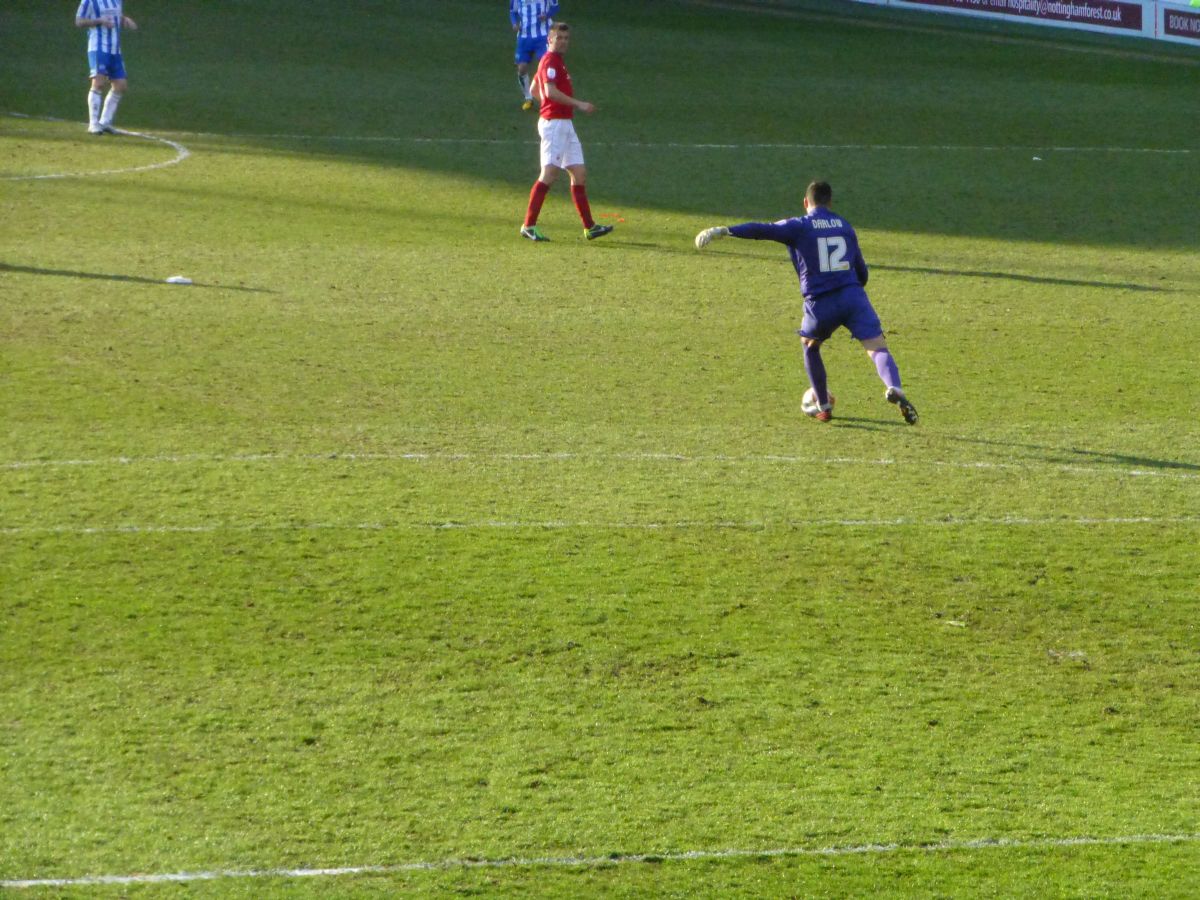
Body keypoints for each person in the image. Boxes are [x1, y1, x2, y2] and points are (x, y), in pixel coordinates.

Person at [694, 181, 918, 424]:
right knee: (877, 348)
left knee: (810, 346)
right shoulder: (845, 226)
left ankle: (822, 405)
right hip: (853, 297)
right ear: (830, 202)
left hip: (820, 303)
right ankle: (895, 387)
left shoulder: (799, 225)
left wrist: (726, 230)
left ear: (805, 202)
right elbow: (862, 273)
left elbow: (763, 230)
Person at [520, 23, 613, 243]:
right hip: (554, 125)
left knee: (579, 173)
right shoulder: (551, 61)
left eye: (566, 38)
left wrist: (553, 104)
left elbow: (535, 89)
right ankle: (528, 225)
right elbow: (550, 91)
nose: (563, 41)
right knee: (549, 174)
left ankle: (590, 227)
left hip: (564, 124)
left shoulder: (554, 61)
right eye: (558, 37)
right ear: (549, 40)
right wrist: (577, 104)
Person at [75, 0, 138, 135]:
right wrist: (98, 21)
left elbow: (116, 16)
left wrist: (124, 20)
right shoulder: (89, 1)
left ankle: (105, 122)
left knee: (120, 86)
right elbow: (79, 21)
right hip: (98, 47)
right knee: (98, 83)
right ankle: (93, 124)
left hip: (115, 49)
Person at [511, 1, 560, 111]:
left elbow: (556, 7)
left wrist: (546, 15)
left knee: (547, 67)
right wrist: (514, 23)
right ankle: (528, 98)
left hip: (543, 36)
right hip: (524, 37)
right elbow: (512, 12)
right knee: (522, 68)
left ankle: (550, 98)